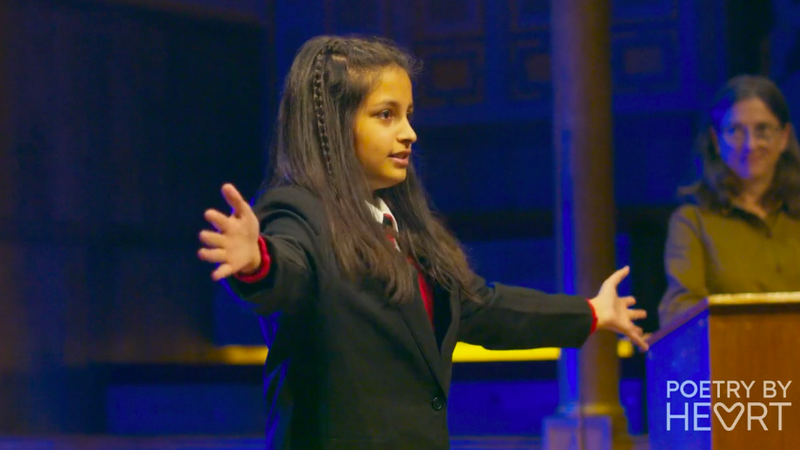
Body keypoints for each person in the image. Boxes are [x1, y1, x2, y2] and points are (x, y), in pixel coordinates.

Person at [198, 35, 647, 449]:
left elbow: (481, 308)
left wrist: (591, 313)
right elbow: (287, 271)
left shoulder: (398, 226)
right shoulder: (295, 210)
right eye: (386, 115)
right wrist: (257, 262)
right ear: (334, 127)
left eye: (408, 115)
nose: (409, 132)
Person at [660, 75, 800, 325]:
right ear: (715, 140)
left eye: (763, 130)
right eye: (735, 130)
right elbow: (680, 311)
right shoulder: (692, 221)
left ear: (784, 137)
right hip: (735, 359)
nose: (750, 144)